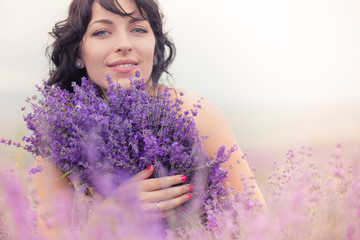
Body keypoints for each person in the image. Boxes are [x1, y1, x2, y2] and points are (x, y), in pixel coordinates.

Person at [35, 0, 265, 238]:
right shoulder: (61, 134)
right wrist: (104, 219)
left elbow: (259, 225)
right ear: (78, 54)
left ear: (155, 50)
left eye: (138, 29)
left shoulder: (194, 115)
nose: (124, 44)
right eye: (102, 32)